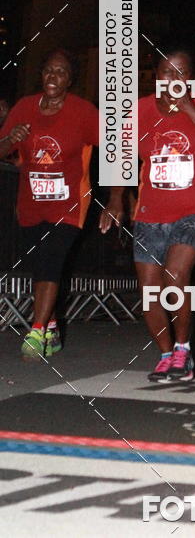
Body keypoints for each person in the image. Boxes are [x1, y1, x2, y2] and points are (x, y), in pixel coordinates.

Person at [101, 46, 195, 383]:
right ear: (155, 76)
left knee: (175, 274)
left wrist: (190, 108)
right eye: (165, 72)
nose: (172, 79)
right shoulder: (139, 110)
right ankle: (165, 353)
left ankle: (184, 350)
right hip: (150, 212)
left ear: (191, 78)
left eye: (180, 73)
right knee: (149, 290)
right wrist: (116, 199)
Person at [0, 49, 98, 359]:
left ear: (70, 80)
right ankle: (53, 325)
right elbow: (1, 149)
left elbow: (115, 149)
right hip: (31, 203)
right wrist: (9, 137)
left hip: (69, 202)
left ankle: (37, 329)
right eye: (48, 71)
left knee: (52, 259)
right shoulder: (25, 107)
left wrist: (120, 197)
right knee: (39, 265)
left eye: (60, 72)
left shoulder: (83, 111)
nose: (52, 77)